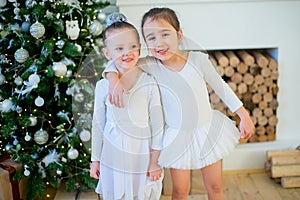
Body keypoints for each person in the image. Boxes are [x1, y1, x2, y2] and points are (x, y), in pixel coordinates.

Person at [103, 8, 255, 200]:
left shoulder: (198, 60)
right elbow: (119, 62)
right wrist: (112, 78)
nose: (159, 43)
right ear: (146, 43)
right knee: (180, 191)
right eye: (151, 38)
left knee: (215, 186)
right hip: (176, 137)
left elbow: (221, 87)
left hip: (206, 131)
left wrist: (243, 114)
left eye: (165, 34)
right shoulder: (149, 64)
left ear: (179, 35)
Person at [90, 13, 164, 200]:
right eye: (119, 48)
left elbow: (158, 125)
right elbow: (98, 125)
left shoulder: (149, 82)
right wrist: (95, 160)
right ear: (108, 53)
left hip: (142, 153)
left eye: (132, 47)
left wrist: (155, 161)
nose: (127, 53)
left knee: (142, 194)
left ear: (139, 48)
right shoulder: (103, 86)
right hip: (113, 154)